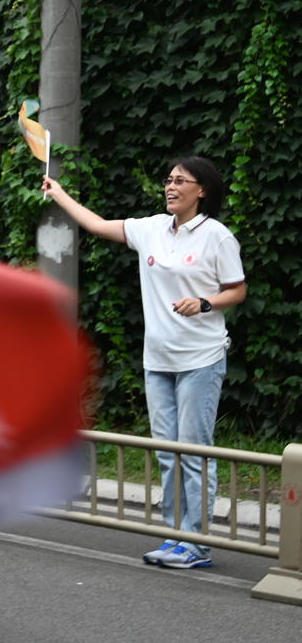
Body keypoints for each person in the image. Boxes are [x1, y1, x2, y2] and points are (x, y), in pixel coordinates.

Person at [42, 158, 246, 569]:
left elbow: (237, 289)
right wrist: (59, 193)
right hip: (158, 360)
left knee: (193, 451)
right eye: (168, 179)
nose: (171, 187)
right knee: (166, 452)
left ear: (201, 190)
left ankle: (198, 542)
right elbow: (98, 224)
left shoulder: (217, 237)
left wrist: (205, 302)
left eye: (180, 181)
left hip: (201, 358)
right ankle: (175, 537)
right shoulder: (151, 228)